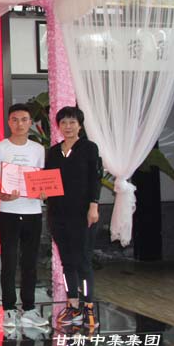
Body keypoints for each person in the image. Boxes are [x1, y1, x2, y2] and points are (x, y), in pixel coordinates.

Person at [0, 104, 48, 330]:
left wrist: (43, 191)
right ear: (9, 122)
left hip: (33, 212)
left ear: (30, 122)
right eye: (15, 119)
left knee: (30, 263)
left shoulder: (38, 149)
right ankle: (9, 309)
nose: (20, 124)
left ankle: (29, 309)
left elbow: (41, 179)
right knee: (9, 262)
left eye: (24, 119)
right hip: (8, 213)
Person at [46, 106, 101, 329]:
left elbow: (95, 178)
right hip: (58, 214)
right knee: (67, 261)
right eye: (64, 123)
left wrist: (93, 205)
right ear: (58, 126)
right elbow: (47, 179)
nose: (68, 127)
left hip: (82, 214)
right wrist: (41, 190)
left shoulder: (89, 148)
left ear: (80, 125)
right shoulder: (53, 151)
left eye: (72, 122)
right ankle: (73, 305)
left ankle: (88, 308)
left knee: (83, 261)